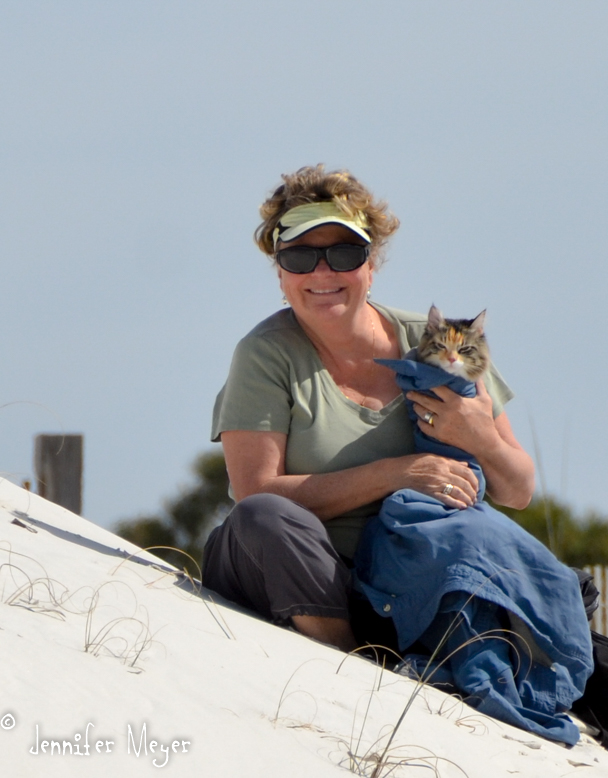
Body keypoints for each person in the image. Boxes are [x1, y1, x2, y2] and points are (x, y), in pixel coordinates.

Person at [203, 165, 535, 652]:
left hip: (408, 580)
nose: (322, 273)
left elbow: (519, 490)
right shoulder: (264, 354)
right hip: (295, 578)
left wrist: (480, 438)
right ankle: (352, 666)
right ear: (280, 272)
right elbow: (255, 492)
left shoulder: (437, 343)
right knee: (263, 519)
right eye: (299, 256)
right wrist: (397, 473)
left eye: (344, 253)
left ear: (371, 264)